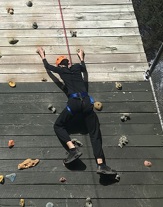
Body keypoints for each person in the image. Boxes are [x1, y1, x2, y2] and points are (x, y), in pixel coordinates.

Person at [37, 47, 116, 175]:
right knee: (95, 134)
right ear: (69, 63)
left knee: (58, 125)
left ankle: (73, 149)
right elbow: (85, 70)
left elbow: (48, 67)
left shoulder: (61, 71)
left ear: (60, 65)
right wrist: (81, 57)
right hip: (86, 103)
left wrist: (42, 55)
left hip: (73, 104)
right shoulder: (77, 68)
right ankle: (101, 164)